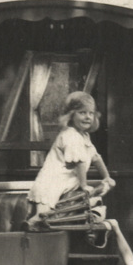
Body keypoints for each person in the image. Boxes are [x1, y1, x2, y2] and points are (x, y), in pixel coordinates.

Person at [28, 91, 115, 222]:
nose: (87, 117)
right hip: (50, 184)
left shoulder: (84, 136)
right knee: (42, 217)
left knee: (49, 219)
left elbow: (96, 158)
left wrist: (106, 177)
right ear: (71, 116)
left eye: (91, 113)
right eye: (82, 113)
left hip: (64, 185)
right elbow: (79, 162)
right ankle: (25, 234)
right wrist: (84, 185)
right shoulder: (70, 135)